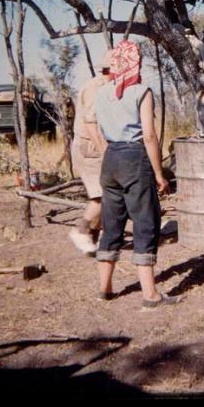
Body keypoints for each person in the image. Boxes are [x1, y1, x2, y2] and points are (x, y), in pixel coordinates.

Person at [95, 39, 181, 308]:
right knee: (145, 222)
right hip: (134, 157)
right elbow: (150, 135)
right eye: (139, 61)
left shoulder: (102, 93)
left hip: (110, 159)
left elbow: (98, 130)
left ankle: (105, 289)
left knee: (112, 223)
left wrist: (110, 156)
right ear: (134, 64)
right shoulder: (142, 91)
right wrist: (159, 173)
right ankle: (150, 294)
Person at [69, 52, 112, 255]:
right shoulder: (96, 88)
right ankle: (82, 230)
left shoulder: (104, 86)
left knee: (108, 194)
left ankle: (91, 239)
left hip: (95, 146)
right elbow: (91, 123)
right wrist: (105, 151)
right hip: (90, 147)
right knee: (102, 195)